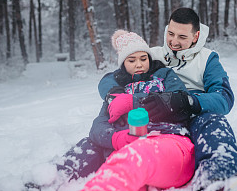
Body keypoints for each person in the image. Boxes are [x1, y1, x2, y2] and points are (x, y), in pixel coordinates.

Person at [81, 29, 195, 190]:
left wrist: (133, 101)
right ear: (123, 65)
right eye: (132, 60)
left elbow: (180, 101)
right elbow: (99, 124)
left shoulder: (164, 77)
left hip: (166, 139)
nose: (139, 64)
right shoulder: (117, 90)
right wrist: (115, 138)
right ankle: (47, 180)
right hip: (126, 144)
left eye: (143, 58)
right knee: (86, 149)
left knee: (131, 161)